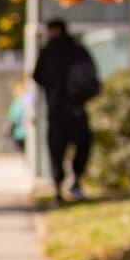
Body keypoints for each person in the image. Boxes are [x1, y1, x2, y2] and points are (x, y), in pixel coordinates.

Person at [33, 17, 100, 200]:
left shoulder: (47, 52)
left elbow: (37, 77)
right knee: (82, 145)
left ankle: (58, 186)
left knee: (56, 150)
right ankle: (76, 182)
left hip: (56, 110)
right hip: (77, 108)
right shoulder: (78, 50)